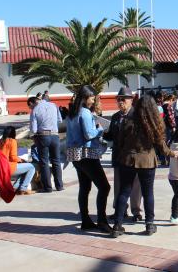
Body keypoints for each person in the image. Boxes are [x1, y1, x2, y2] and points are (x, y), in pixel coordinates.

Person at [112, 95, 178, 238]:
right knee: (148, 193)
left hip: (128, 159)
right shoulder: (154, 123)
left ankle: (117, 225)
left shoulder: (128, 121)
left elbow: (120, 141)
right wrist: (172, 154)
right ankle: (149, 224)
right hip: (147, 161)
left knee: (124, 192)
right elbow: (161, 145)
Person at [66, 85, 111, 233]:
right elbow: (88, 134)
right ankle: (102, 221)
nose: (94, 100)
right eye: (92, 97)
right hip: (87, 154)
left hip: (76, 155)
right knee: (104, 187)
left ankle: (85, 220)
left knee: (84, 188)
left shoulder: (72, 112)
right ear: (86, 97)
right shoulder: (85, 112)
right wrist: (99, 128)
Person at [104, 87, 143, 223]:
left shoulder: (137, 116)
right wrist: (102, 131)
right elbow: (110, 136)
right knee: (119, 185)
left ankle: (136, 211)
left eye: (123, 99)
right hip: (118, 156)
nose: (120, 102)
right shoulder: (115, 117)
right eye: (118, 99)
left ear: (131, 100)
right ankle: (120, 210)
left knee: (135, 185)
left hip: (133, 157)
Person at [29, 94, 63, 192]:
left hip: (42, 136)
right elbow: (60, 120)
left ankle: (48, 188)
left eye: (30, 106)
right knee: (56, 161)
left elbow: (34, 129)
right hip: (55, 136)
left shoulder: (35, 110)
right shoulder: (54, 105)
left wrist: (33, 136)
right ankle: (59, 186)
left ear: (32, 103)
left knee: (44, 162)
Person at [0, 126, 36, 195]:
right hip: (8, 167)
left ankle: (15, 187)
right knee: (31, 167)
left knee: (24, 169)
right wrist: (22, 160)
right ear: (13, 133)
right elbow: (13, 157)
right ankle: (23, 188)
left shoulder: (0, 141)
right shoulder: (12, 141)